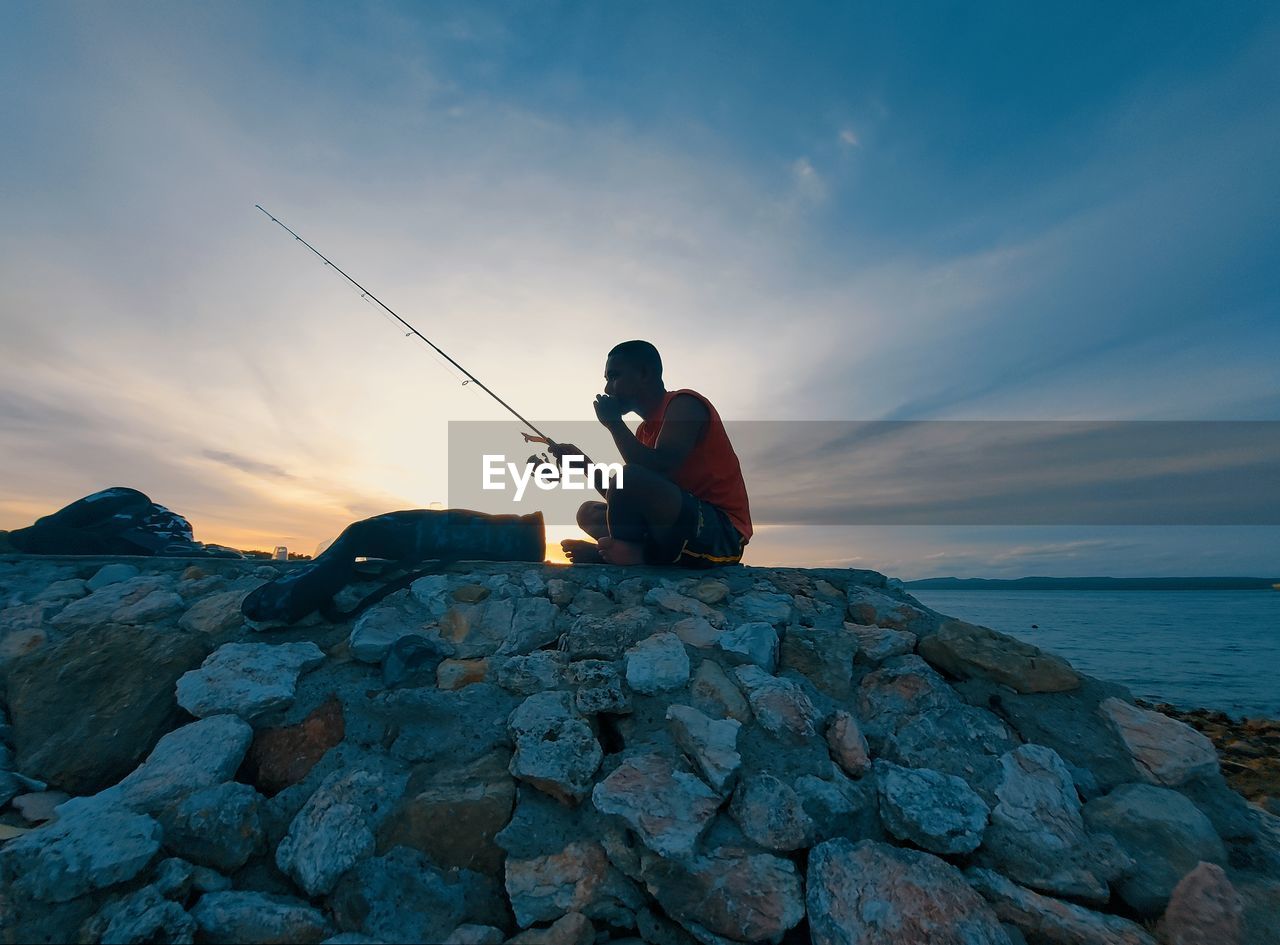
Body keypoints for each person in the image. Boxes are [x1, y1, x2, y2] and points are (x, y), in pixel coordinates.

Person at [556, 340, 751, 568]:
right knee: (588, 513)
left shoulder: (684, 404)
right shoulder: (643, 431)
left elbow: (659, 468)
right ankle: (636, 553)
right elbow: (626, 494)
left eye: (614, 377)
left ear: (644, 373)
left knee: (629, 475)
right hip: (673, 527)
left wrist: (614, 424)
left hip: (721, 534)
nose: (608, 389)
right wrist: (584, 465)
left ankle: (627, 553)